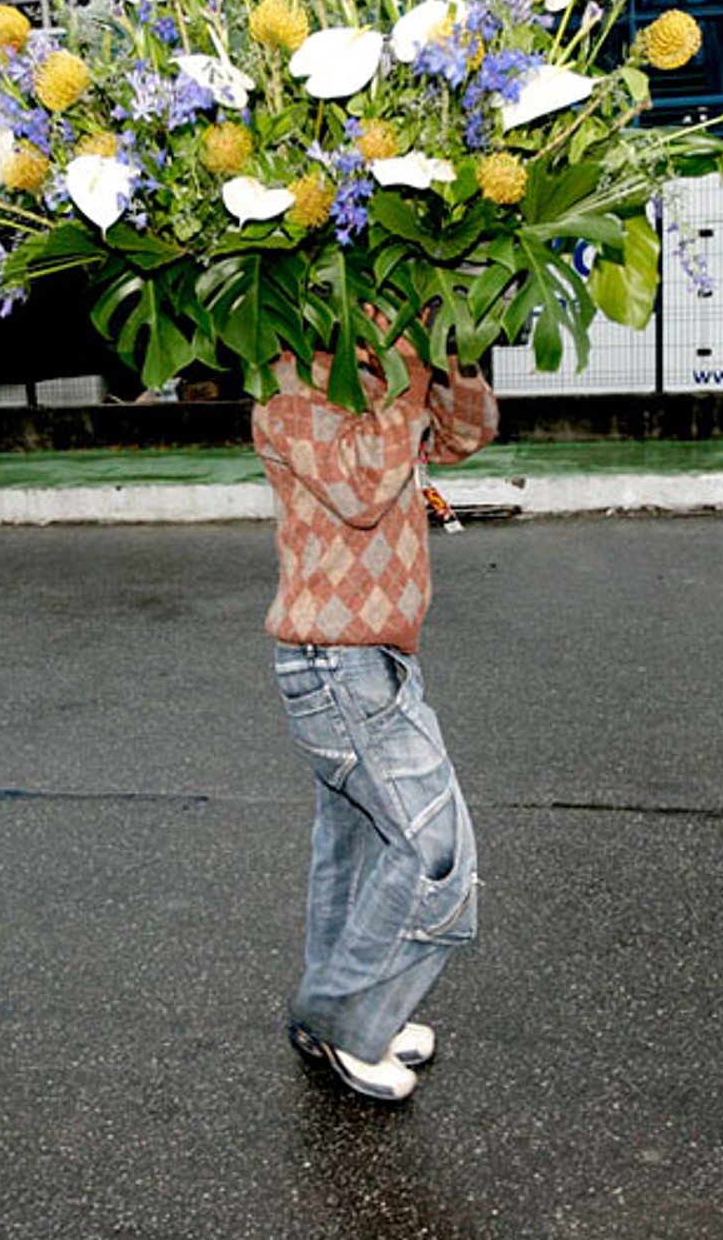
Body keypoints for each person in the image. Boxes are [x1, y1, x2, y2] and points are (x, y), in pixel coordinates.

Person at [252, 342, 498, 1102]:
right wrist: (409, 367)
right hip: (335, 660)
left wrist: (445, 352)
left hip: (377, 656)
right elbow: (362, 484)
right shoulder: (286, 376)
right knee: (436, 854)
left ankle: (337, 1009)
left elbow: (466, 435)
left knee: (358, 853)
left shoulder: (382, 368)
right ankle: (347, 1020)